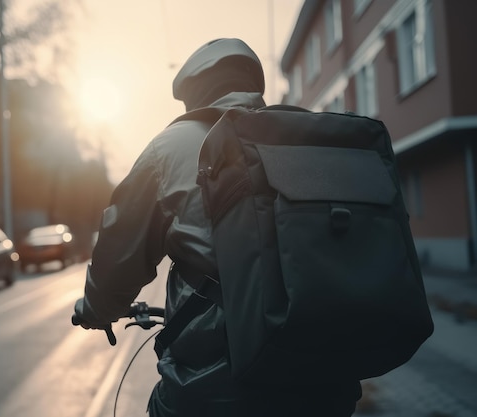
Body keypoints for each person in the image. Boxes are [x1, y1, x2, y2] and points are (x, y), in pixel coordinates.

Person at [73, 38, 362, 417]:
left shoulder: (172, 146)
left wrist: (97, 308)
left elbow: (120, 249)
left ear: (196, 93)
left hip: (214, 391)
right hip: (325, 382)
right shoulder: (299, 141)